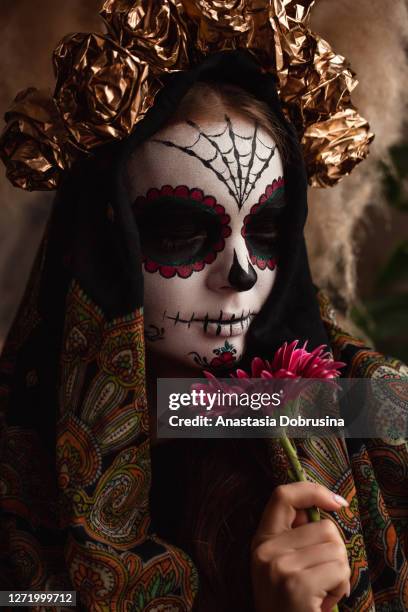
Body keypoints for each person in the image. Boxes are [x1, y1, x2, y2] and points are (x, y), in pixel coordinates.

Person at [0, 3, 407, 612]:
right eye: (180, 234)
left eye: (267, 232)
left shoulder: (369, 408)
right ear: (106, 246)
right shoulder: (19, 449)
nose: (241, 274)